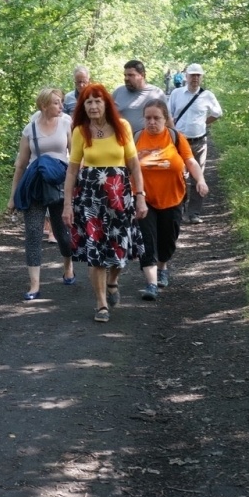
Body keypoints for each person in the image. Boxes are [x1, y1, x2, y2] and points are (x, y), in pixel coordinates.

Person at [62, 83, 148, 323]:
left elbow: (133, 166)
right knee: (95, 250)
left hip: (119, 197)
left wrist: (140, 196)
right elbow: (71, 172)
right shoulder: (80, 131)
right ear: (83, 106)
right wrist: (67, 205)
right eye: (88, 102)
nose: (93, 106)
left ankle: (113, 280)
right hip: (90, 199)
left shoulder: (123, 127)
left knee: (120, 249)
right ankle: (100, 304)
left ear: (106, 103)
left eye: (97, 101)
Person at [133, 99, 208, 300]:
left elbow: (190, 161)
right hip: (143, 199)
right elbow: (125, 166)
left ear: (166, 119)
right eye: (148, 118)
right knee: (147, 240)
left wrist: (200, 179)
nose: (152, 122)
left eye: (157, 118)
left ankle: (162, 266)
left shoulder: (176, 137)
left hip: (173, 198)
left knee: (168, 239)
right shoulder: (136, 138)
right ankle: (151, 283)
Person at [8, 88, 75, 300]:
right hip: (36, 185)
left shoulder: (67, 123)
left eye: (61, 102)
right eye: (56, 102)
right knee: (33, 233)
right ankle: (34, 285)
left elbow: (75, 158)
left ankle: (68, 264)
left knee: (62, 233)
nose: (61, 106)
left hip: (60, 184)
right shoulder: (30, 129)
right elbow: (20, 165)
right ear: (44, 105)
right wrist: (12, 196)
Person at [168, 63, 222, 224]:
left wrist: (204, 123)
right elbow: (168, 114)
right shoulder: (177, 93)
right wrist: (173, 132)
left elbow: (217, 113)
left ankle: (194, 213)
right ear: (186, 76)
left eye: (198, 75)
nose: (195, 78)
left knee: (197, 177)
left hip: (199, 141)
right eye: (192, 75)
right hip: (179, 142)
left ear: (201, 77)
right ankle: (178, 209)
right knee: (178, 176)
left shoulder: (208, 95)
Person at [111, 60, 167, 132]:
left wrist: (176, 139)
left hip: (148, 140)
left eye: (131, 75)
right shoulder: (118, 92)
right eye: (125, 75)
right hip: (123, 140)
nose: (126, 78)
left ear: (142, 75)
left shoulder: (156, 93)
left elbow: (167, 120)